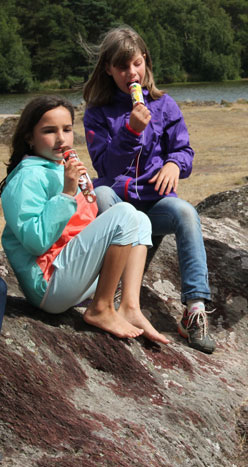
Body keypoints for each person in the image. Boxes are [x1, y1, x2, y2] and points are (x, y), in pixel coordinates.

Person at [82, 26, 215, 354]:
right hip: (119, 201)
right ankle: (110, 296)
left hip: (155, 205)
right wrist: (130, 131)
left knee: (186, 212)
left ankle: (194, 310)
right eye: (123, 67)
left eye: (138, 64)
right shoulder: (97, 113)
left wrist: (174, 165)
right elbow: (107, 168)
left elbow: (184, 151)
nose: (132, 73)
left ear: (147, 64)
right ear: (108, 70)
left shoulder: (165, 105)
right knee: (99, 195)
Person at [0, 95, 168, 343]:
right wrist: (68, 193)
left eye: (67, 129)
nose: (61, 139)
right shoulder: (26, 178)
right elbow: (35, 242)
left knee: (140, 219)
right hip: (49, 285)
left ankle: (130, 307)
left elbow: (83, 225)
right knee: (123, 215)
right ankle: (101, 308)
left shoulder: (63, 165)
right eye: (49, 131)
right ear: (29, 137)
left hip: (75, 277)